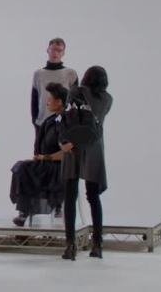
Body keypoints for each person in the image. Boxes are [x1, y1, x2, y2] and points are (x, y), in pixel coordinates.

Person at [60, 66, 113, 261]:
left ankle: (70, 245)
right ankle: (97, 245)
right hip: (94, 147)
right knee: (93, 197)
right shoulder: (108, 99)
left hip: (73, 145)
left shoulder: (76, 92)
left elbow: (66, 117)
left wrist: (64, 141)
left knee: (70, 196)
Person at [10, 82, 68, 227]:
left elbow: (67, 152)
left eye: (50, 98)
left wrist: (45, 157)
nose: (47, 102)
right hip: (46, 164)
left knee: (24, 168)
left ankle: (27, 212)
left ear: (59, 102)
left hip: (59, 167)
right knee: (21, 167)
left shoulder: (67, 121)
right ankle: (24, 212)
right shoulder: (50, 120)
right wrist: (39, 157)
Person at [31, 38, 78, 129]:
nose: (55, 53)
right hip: (42, 122)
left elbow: (75, 100)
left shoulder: (70, 73)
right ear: (48, 50)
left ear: (63, 53)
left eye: (59, 50)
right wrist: (35, 120)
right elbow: (35, 99)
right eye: (52, 50)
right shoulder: (38, 74)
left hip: (64, 122)